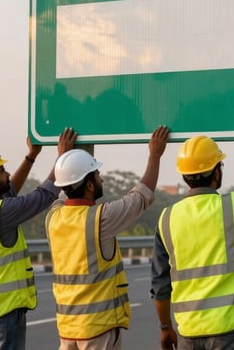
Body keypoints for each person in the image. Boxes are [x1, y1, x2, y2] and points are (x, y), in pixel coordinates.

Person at [151, 118, 234, 350]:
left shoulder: (166, 218)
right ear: (216, 172)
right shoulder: (233, 207)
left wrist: (165, 328)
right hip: (229, 331)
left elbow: (161, 287)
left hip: (188, 333)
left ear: (184, 176)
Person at [45, 126, 170, 350]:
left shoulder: (53, 217)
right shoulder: (100, 219)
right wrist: (155, 155)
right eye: (97, 175)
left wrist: (64, 159)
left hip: (67, 329)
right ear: (90, 184)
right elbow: (142, 195)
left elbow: (65, 189)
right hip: (97, 328)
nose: (101, 178)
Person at [0, 127, 78, 350]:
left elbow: (10, 190)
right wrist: (62, 158)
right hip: (4, 312)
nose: (7, 174)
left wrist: (31, 157)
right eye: (2, 171)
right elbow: (43, 196)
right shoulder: (2, 212)